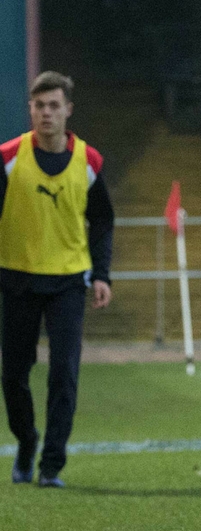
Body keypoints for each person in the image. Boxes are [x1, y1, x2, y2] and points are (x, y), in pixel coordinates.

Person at [1, 71, 113, 489]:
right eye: (39, 105)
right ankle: (26, 441)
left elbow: (101, 222)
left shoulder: (89, 161)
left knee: (64, 374)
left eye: (53, 105)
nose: (46, 113)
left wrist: (101, 274)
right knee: (13, 374)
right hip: (16, 279)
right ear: (30, 109)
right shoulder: (8, 158)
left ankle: (51, 465)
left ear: (68, 110)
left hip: (68, 281)